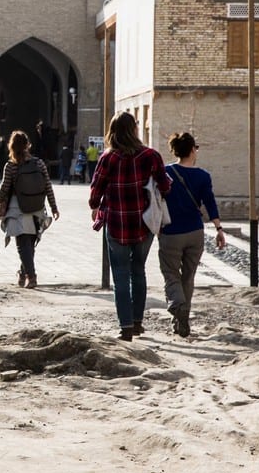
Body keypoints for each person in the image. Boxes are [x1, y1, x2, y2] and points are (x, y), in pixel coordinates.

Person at [88, 113, 170, 341]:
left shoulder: (108, 158)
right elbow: (165, 186)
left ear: (112, 132)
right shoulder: (151, 156)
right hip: (144, 223)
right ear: (134, 130)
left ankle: (125, 327)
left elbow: (95, 191)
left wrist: (95, 206)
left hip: (116, 223)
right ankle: (137, 322)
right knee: (138, 271)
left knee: (121, 275)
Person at [158, 132, 225, 337]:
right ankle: (181, 320)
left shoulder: (165, 173)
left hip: (171, 232)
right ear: (192, 150)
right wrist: (219, 229)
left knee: (170, 274)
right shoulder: (203, 176)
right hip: (195, 232)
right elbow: (210, 203)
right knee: (188, 277)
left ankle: (177, 305)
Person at [0, 130, 60, 288]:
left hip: (17, 208)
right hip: (37, 207)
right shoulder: (39, 163)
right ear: (28, 145)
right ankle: (22, 273)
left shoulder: (11, 166)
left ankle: (31, 277)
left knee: (22, 243)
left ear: (11, 146)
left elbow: (4, 188)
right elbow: (48, 186)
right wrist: (54, 207)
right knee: (30, 244)